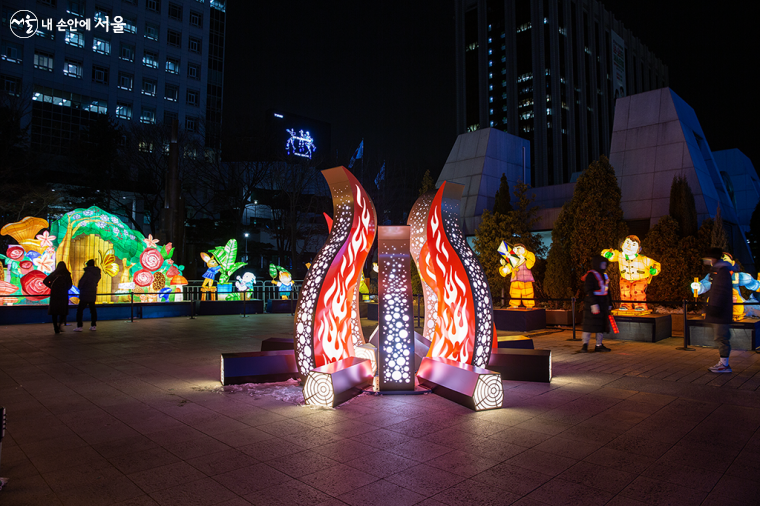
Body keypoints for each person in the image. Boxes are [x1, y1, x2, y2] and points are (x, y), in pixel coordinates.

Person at [699, 248, 734, 373]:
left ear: (713, 258)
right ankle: (723, 363)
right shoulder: (718, 271)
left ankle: (724, 365)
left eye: (709, 258)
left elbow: (720, 292)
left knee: (721, 337)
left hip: (721, 312)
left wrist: (714, 307)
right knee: (720, 337)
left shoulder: (722, 271)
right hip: (719, 311)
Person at [580, 255, 612, 353]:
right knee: (588, 325)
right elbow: (588, 290)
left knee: (600, 326)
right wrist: (593, 304)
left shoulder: (605, 275)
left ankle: (599, 345)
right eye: (602, 264)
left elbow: (607, 290)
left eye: (605, 264)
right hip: (592, 303)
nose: (604, 265)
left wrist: (610, 303)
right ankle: (585, 345)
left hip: (603, 303)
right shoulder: (591, 275)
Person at [43, 262, 73, 334]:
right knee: (63, 310)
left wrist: (52, 287)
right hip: (63, 294)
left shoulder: (54, 274)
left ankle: (55, 327)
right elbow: (70, 284)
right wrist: (65, 289)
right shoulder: (67, 274)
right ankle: (60, 325)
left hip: (55, 294)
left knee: (54, 311)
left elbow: (45, 281)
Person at [75, 259, 101, 331]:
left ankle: (79, 326)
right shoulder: (97, 273)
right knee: (93, 310)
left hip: (85, 293)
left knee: (80, 310)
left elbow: (81, 283)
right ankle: (93, 325)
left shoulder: (87, 273)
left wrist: (80, 288)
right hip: (92, 293)